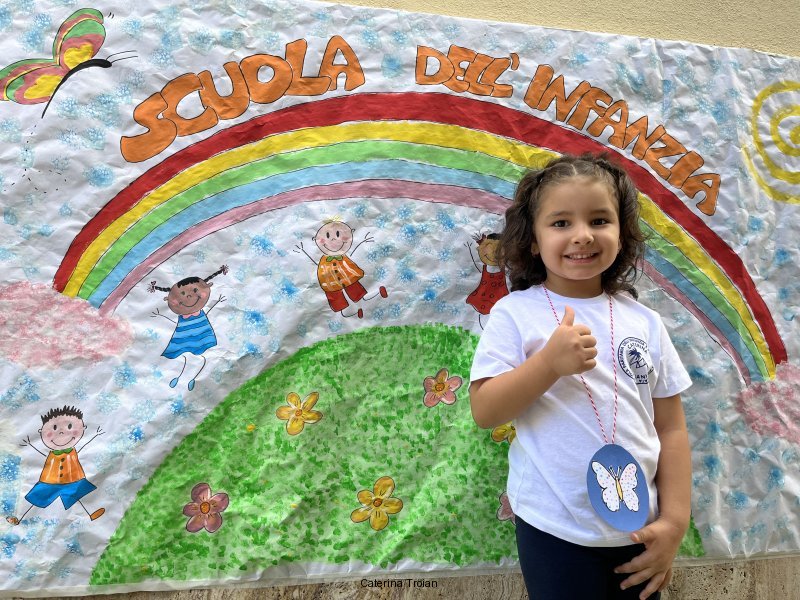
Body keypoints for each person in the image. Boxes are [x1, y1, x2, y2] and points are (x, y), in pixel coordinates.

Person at [469, 154, 692, 600]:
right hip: (553, 527)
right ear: (533, 241)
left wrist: (674, 523)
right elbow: (485, 410)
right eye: (560, 223)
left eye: (599, 220)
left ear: (621, 234)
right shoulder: (515, 314)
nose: (583, 235)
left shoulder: (645, 322)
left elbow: (671, 428)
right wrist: (548, 364)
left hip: (640, 527)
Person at [6, 405, 105, 525]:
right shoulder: (52, 454)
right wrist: (30, 445)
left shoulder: (72, 452)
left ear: (83, 428)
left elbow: (83, 446)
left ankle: (91, 514)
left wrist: (95, 436)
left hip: (72, 479)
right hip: (49, 481)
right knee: (37, 498)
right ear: (41, 432)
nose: (62, 432)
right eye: (54, 428)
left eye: (70, 426)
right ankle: (19, 518)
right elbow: (41, 453)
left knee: (78, 496)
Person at [149, 265, 227, 391]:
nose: (189, 297)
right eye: (183, 294)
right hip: (183, 340)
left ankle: (192, 378)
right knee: (186, 359)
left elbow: (207, 312)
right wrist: (161, 315)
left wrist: (217, 302)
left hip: (202, 337)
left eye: (194, 290)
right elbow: (175, 324)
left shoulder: (199, 313)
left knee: (202, 359)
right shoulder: (183, 317)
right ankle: (179, 377)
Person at [294, 218, 387, 318]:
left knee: (357, 291)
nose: (333, 239)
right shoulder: (324, 260)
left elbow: (353, 253)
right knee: (338, 300)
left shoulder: (343, 256)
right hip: (330, 283)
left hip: (347, 277)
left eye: (338, 234)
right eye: (328, 236)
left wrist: (362, 241)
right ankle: (354, 312)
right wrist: (303, 251)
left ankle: (376, 293)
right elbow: (314, 262)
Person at [465, 232, 509, 329]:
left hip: (499, 297)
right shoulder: (484, 268)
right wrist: (470, 249)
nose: (494, 255)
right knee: (483, 315)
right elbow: (474, 263)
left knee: (498, 317)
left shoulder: (504, 269)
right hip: (484, 296)